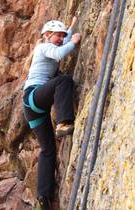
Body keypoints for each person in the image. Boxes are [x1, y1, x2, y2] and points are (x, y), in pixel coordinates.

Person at [22, 17, 81, 210]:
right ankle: (64, 122)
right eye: (57, 35)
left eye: (62, 36)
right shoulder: (43, 47)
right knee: (63, 81)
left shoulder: (55, 42)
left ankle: (43, 199)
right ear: (47, 35)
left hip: (33, 108)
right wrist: (72, 41)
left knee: (48, 150)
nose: (60, 38)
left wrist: (71, 28)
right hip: (33, 96)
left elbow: (63, 43)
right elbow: (59, 52)